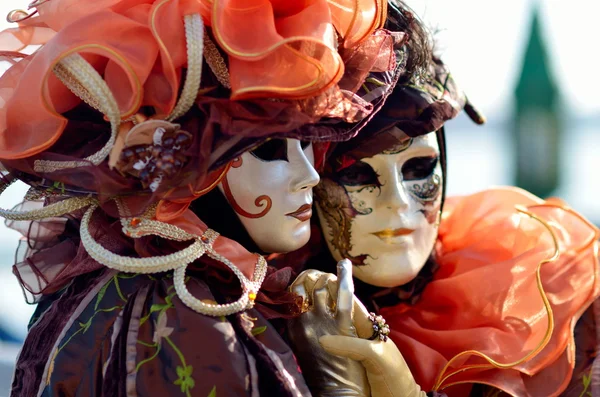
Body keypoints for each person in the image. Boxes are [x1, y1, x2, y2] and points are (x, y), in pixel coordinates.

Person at [0, 0, 426, 395]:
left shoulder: (161, 287)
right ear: (193, 173)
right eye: (270, 149)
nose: (310, 175)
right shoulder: (185, 315)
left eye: (309, 143)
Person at [288, 53, 600, 396]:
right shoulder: (262, 316)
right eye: (356, 174)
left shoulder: (545, 297)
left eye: (418, 168)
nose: (398, 201)